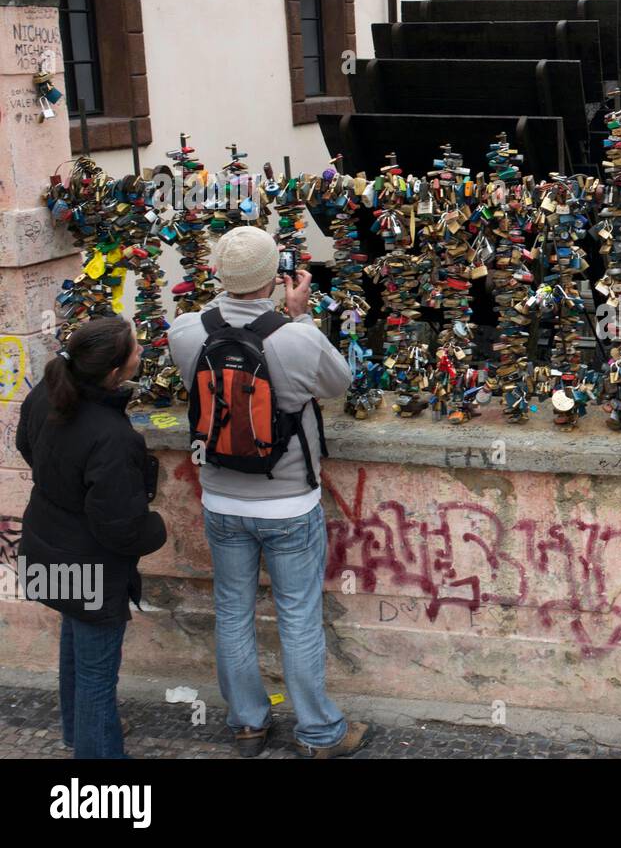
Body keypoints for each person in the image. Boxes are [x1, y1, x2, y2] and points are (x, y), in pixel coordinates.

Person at [169, 226, 368, 759]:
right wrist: (297, 313)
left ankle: (248, 725)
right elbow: (339, 381)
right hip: (288, 503)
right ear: (274, 277)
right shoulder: (294, 336)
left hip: (220, 498)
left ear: (217, 274)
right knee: (298, 614)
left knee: (232, 610)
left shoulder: (187, 330)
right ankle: (319, 733)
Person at [16, 316, 167, 759]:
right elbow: (119, 525)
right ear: (114, 372)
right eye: (136, 350)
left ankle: (74, 732)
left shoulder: (46, 393)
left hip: (47, 545)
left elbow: (28, 446)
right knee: (97, 675)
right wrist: (156, 529)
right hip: (90, 565)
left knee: (74, 644)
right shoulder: (112, 436)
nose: (142, 353)